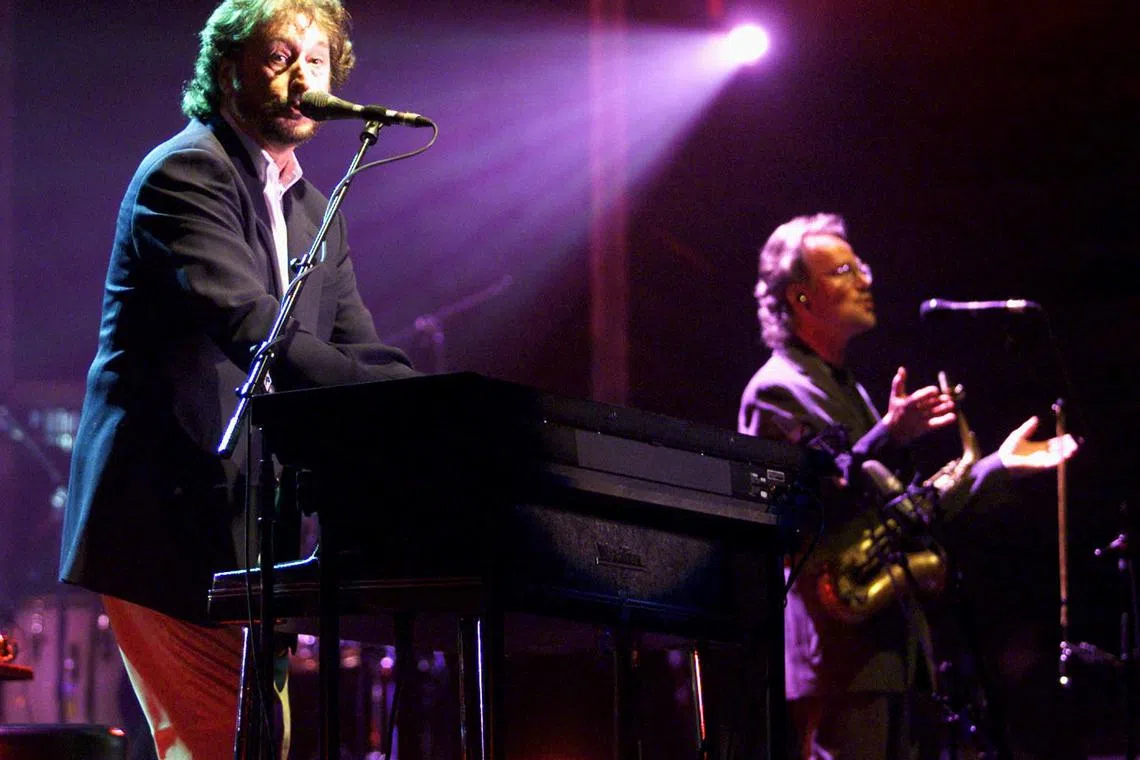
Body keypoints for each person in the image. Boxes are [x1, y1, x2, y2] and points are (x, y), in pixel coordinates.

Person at [57, 1, 415, 757]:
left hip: (252, 530)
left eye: (316, 61)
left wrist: (434, 409)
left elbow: (357, 345)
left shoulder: (314, 206)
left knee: (250, 745)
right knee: (223, 743)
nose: (302, 77)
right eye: (281, 56)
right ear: (228, 70)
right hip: (163, 518)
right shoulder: (184, 173)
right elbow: (257, 328)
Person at [738, 213, 1077, 759]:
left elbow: (902, 511)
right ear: (800, 297)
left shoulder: (848, 390)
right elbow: (800, 490)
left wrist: (996, 466)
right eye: (844, 270)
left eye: (862, 266)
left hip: (894, 653)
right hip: (841, 654)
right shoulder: (775, 391)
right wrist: (889, 433)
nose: (865, 279)